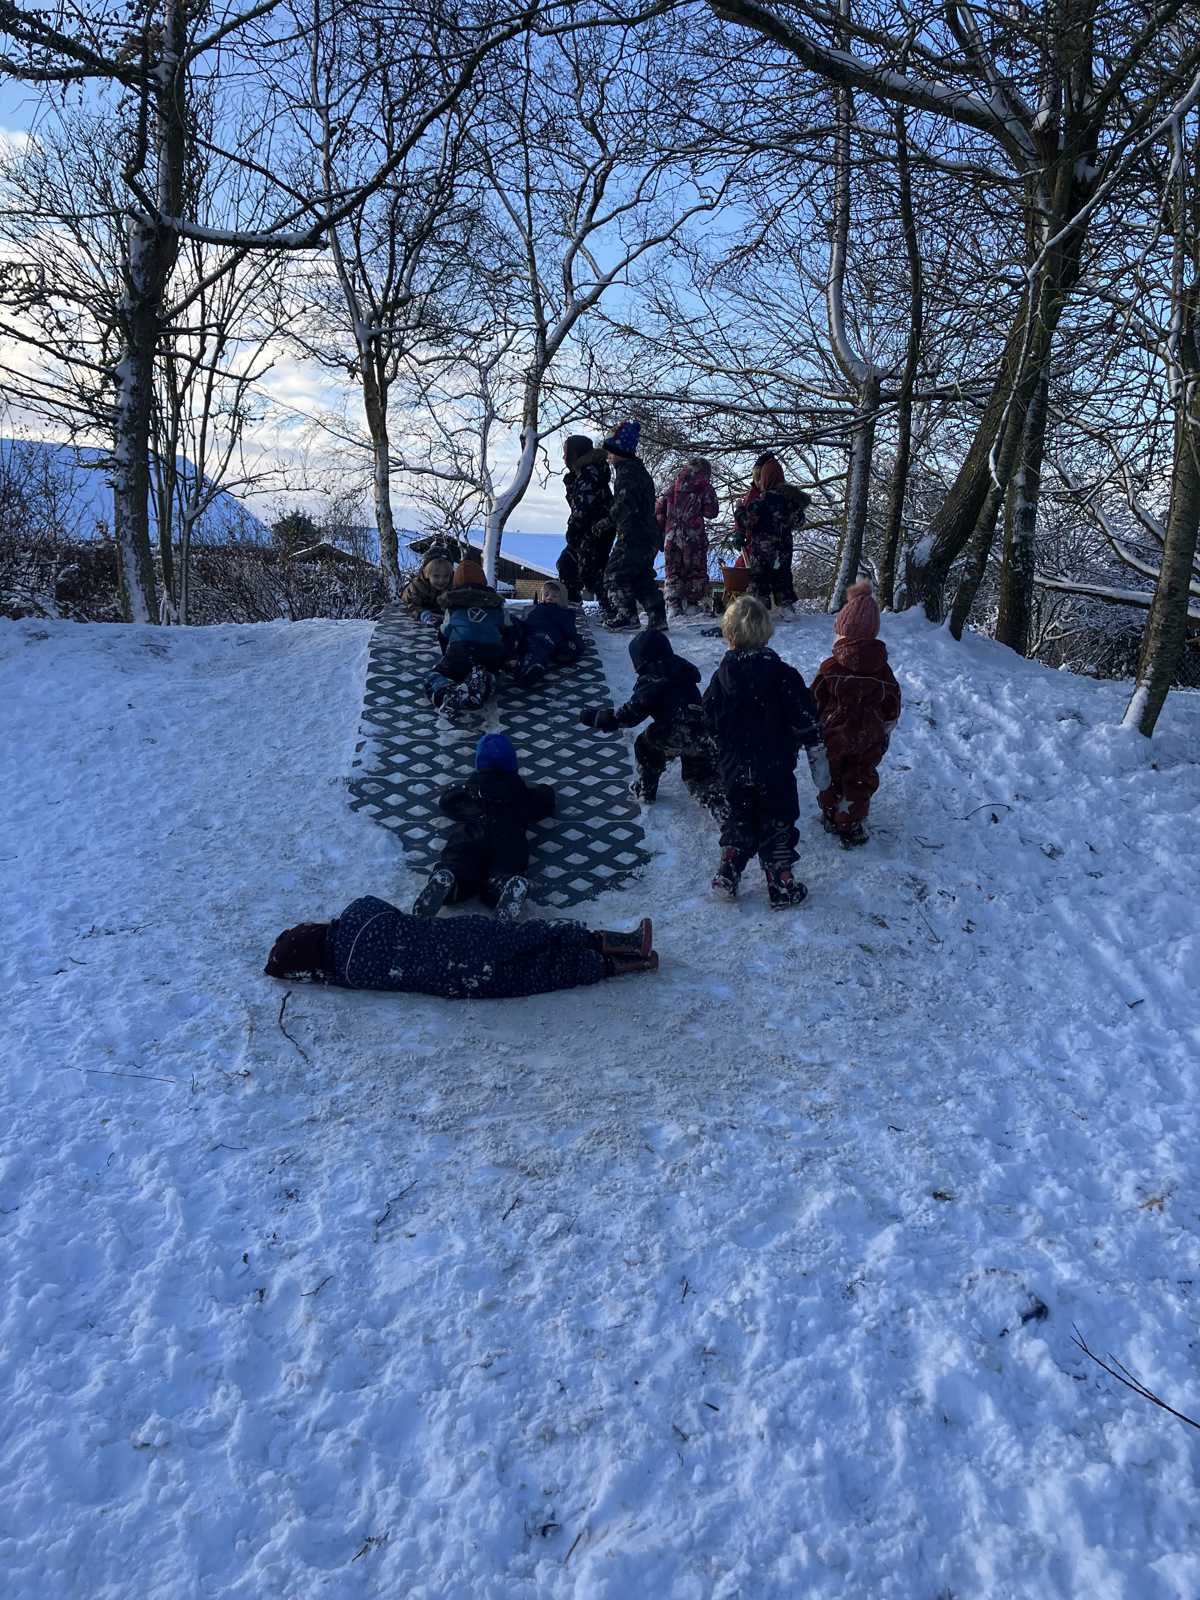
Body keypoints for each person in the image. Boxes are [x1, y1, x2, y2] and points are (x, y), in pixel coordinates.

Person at [702, 594, 829, 908]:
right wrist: (816, 753)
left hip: (734, 768)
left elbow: (707, 720)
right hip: (775, 768)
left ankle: (728, 870)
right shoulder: (784, 676)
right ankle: (780, 882)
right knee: (777, 820)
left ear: (730, 635)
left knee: (740, 817)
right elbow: (805, 717)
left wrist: (718, 754)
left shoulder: (721, 679)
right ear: (767, 633)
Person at [264, 899, 658, 998]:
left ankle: (613, 967)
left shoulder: (349, 976)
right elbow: (383, 909)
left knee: (540, 973)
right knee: (532, 935)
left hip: (456, 980)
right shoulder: (359, 915)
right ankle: (614, 941)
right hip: (459, 937)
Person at [579, 628, 724, 817]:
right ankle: (719, 806)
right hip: (703, 731)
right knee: (699, 774)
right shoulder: (681, 670)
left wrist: (605, 719)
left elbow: (633, 712)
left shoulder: (653, 678)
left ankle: (645, 788)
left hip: (675, 730)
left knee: (646, 745)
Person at [412, 733, 554, 921]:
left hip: (471, 833)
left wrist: (462, 789)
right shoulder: (521, 794)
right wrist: (545, 789)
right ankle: (502, 886)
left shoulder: (471, 792)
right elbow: (545, 801)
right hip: (508, 837)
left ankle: (451, 880)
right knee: (506, 864)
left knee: (460, 858)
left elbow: (447, 802)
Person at [812, 581, 902, 847]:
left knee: (831, 774)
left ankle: (831, 811)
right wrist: (887, 725)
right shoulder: (883, 671)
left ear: (841, 631)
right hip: (869, 738)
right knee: (860, 778)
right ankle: (851, 820)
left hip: (834, 735)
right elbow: (892, 704)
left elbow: (814, 698)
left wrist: (814, 722)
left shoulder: (830, 668)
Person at [425, 560, 515, 721]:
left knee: (434, 675)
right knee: (492, 673)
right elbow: (508, 631)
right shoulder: (497, 605)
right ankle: (484, 680)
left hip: (461, 651)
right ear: (483, 581)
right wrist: (506, 658)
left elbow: (444, 633)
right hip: (492, 653)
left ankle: (445, 693)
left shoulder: (452, 606)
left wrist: (447, 656)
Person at [601, 419, 667, 631]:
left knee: (615, 573)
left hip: (633, 534)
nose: (608, 456)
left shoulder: (627, 472)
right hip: (649, 534)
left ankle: (627, 615)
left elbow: (624, 504)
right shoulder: (638, 470)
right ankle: (657, 616)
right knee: (640, 575)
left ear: (620, 450)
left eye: (611, 451)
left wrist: (607, 522)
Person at [733, 456, 810, 613]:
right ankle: (787, 608)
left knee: (759, 579)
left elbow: (748, 521)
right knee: (783, 578)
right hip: (784, 549)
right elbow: (800, 521)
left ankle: (758, 611)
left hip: (763, 550)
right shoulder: (791, 501)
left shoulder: (763, 500)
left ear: (765, 479)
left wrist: (739, 509)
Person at [657, 458, 719, 619]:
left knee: (673, 570)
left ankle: (673, 605)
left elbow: (659, 510)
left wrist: (661, 533)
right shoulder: (704, 486)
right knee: (695, 569)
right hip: (693, 536)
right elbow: (712, 512)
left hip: (671, 536)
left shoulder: (671, 486)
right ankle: (692, 604)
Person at [560, 436, 615, 614]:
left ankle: (613, 610)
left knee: (591, 572)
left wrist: (572, 531)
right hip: (590, 530)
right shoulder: (582, 473)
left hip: (595, 530)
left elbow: (583, 508)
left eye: (566, 453)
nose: (563, 457)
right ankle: (574, 605)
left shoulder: (589, 473)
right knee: (569, 563)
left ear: (575, 453)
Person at [514, 580, 582, 687]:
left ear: (562, 599)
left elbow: (570, 631)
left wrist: (576, 644)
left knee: (538, 648)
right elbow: (527, 620)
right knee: (515, 635)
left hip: (546, 636)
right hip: (528, 632)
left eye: (554, 596)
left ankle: (533, 668)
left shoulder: (564, 613)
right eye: (546, 595)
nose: (549, 597)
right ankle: (514, 662)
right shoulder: (537, 608)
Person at [401, 548, 455, 623]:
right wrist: (422, 614)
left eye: (446, 576)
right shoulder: (416, 587)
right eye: (436, 576)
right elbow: (407, 606)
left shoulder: (455, 587)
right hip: (419, 624)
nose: (441, 581)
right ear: (427, 573)